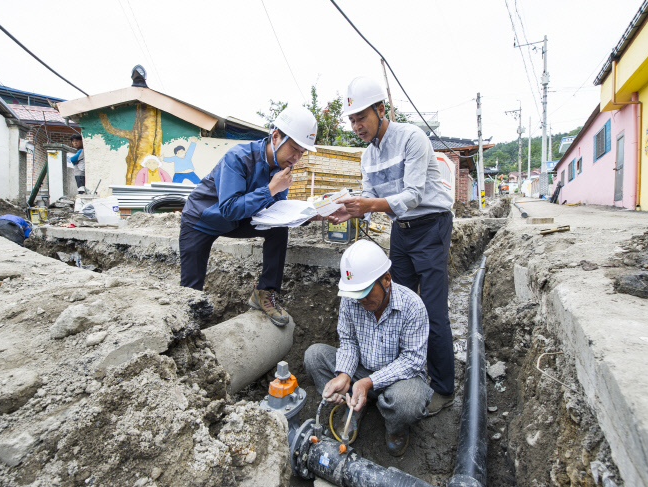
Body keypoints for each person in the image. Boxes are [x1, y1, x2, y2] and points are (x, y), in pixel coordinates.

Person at [330, 76, 455, 416]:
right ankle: (395, 373)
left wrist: (367, 205)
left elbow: (413, 195)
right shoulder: (367, 157)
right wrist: (345, 212)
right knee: (395, 301)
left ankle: (443, 388)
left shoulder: (412, 138)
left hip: (431, 227)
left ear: (380, 109)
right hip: (403, 230)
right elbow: (370, 197)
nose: (357, 126)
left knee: (430, 309)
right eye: (352, 120)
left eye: (362, 118)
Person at [179, 105, 317, 326]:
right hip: (201, 220)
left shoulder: (282, 170)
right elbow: (229, 208)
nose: (297, 158)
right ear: (276, 136)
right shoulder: (238, 157)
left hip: (237, 220)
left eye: (302, 152)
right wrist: (271, 189)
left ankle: (265, 292)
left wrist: (312, 214)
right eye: (294, 149)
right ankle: (187, 325)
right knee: (191, 288)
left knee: (278, 229)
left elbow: (277, 212)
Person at [304, 239, 432, 457]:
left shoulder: (412, 306)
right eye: (355, 293)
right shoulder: (352, 300)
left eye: (365, 292)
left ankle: (395, 428)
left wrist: (368, 382)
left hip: (399, 380)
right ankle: (353, 404)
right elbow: (349, 341)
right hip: (361, 371)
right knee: (314, 356)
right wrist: (344, 375)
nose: (360, 300)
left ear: (387, 279)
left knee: (408, 403)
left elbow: (412, 360)